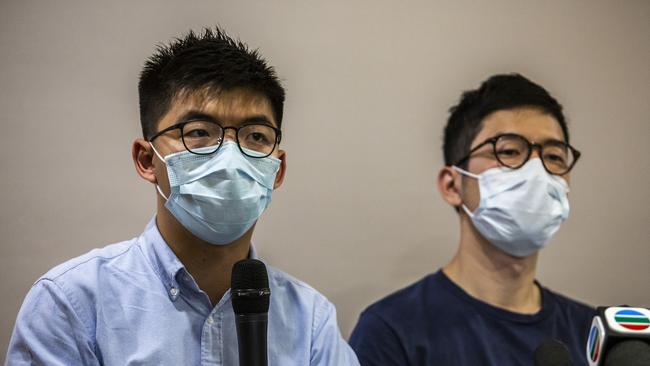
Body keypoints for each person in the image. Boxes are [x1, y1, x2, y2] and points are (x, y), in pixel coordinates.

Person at [6, 27, 359, 365]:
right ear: (147, 160)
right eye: (199, 132)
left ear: (277, 171)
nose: (231, 157)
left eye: (255, 136)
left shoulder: (311, 321)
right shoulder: (73, 304)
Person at [349, 74, 594, 365]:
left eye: (554, 156)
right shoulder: (392, 330)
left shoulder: (594, 335)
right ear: (452, 185)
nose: (537, 171)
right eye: (509, 151)